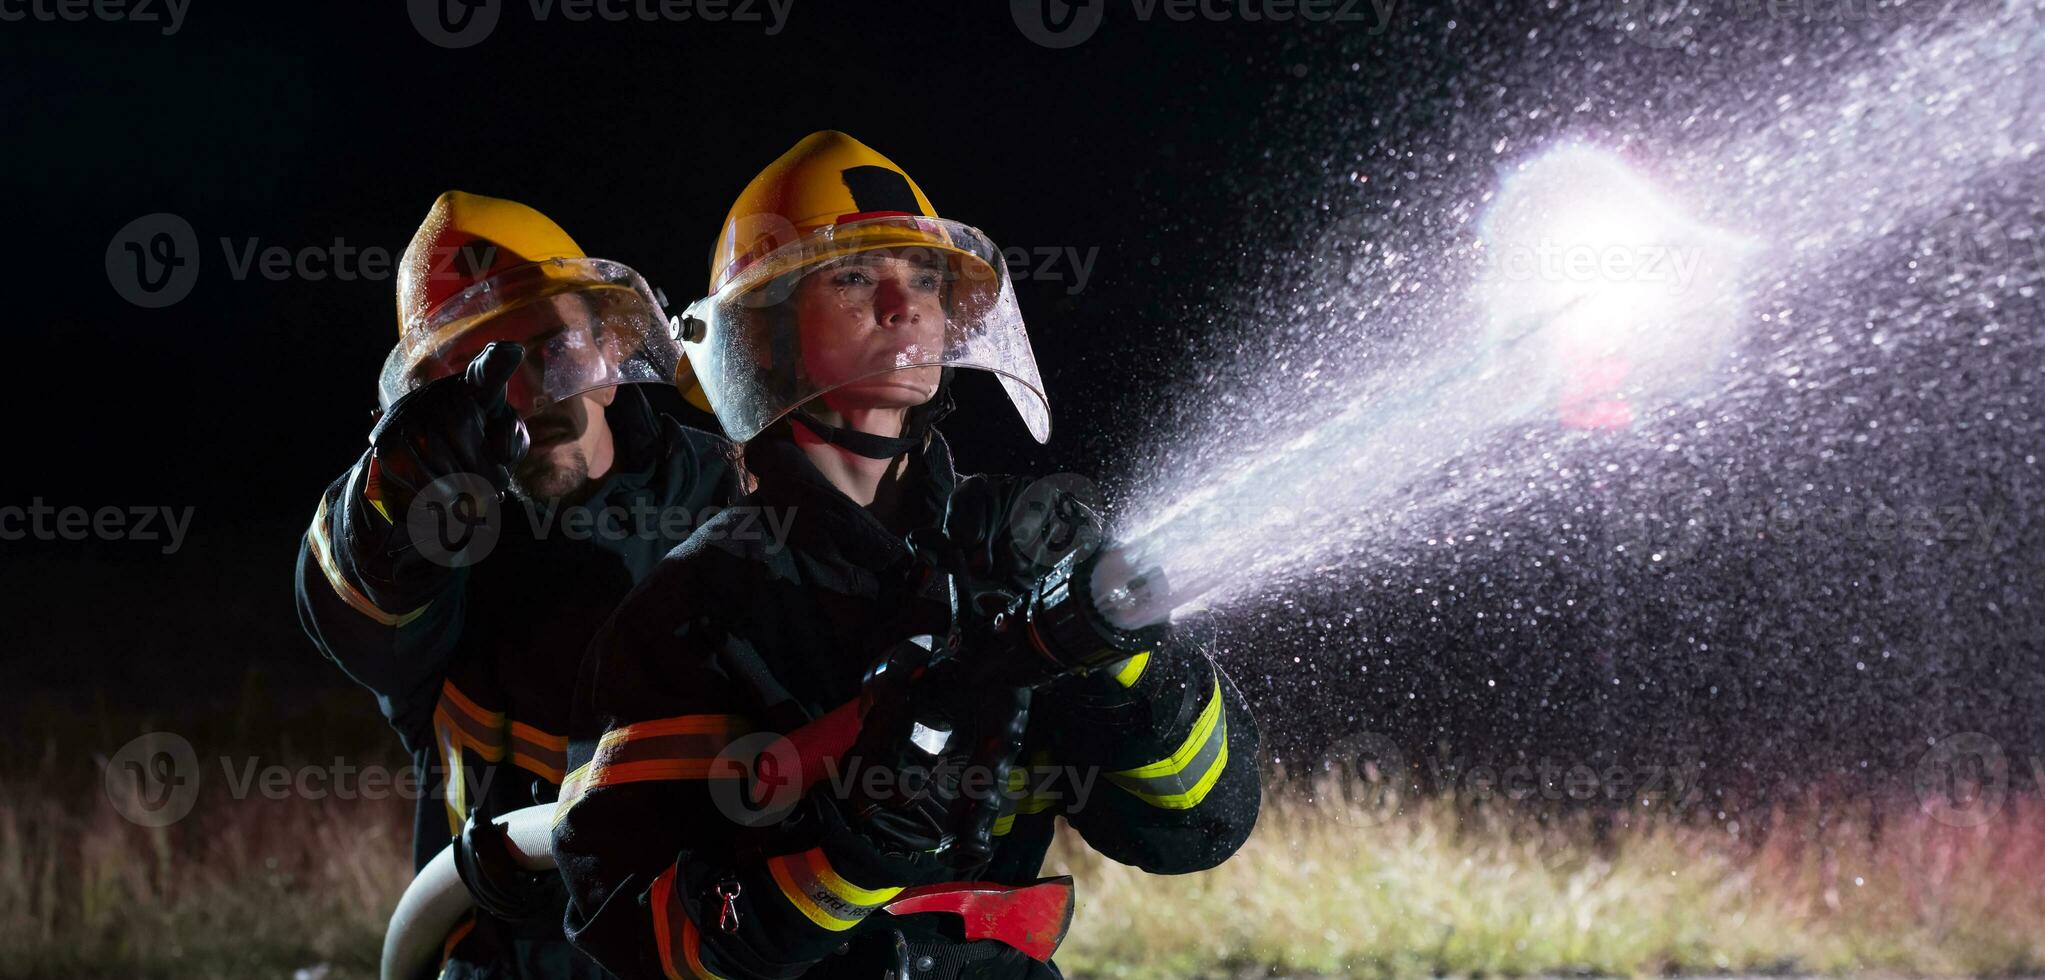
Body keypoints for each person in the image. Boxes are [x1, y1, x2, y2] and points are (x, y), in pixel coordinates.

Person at [552, 132, 1261, 980]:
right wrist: (846, 858)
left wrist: (1126, 659)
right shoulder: (697, 607)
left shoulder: (1015, 549)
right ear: (763, 335)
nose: (908, 306)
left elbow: (1197, 827)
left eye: (925, 279)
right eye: (854, 277)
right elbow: (648, 939)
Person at [295, 191, 739, 978]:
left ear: (608, 350)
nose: (525, 396)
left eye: (548, 345)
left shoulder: (738, 493)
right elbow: (350, 601)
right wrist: (393, 498)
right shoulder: (438, 560)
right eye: (479, 374)